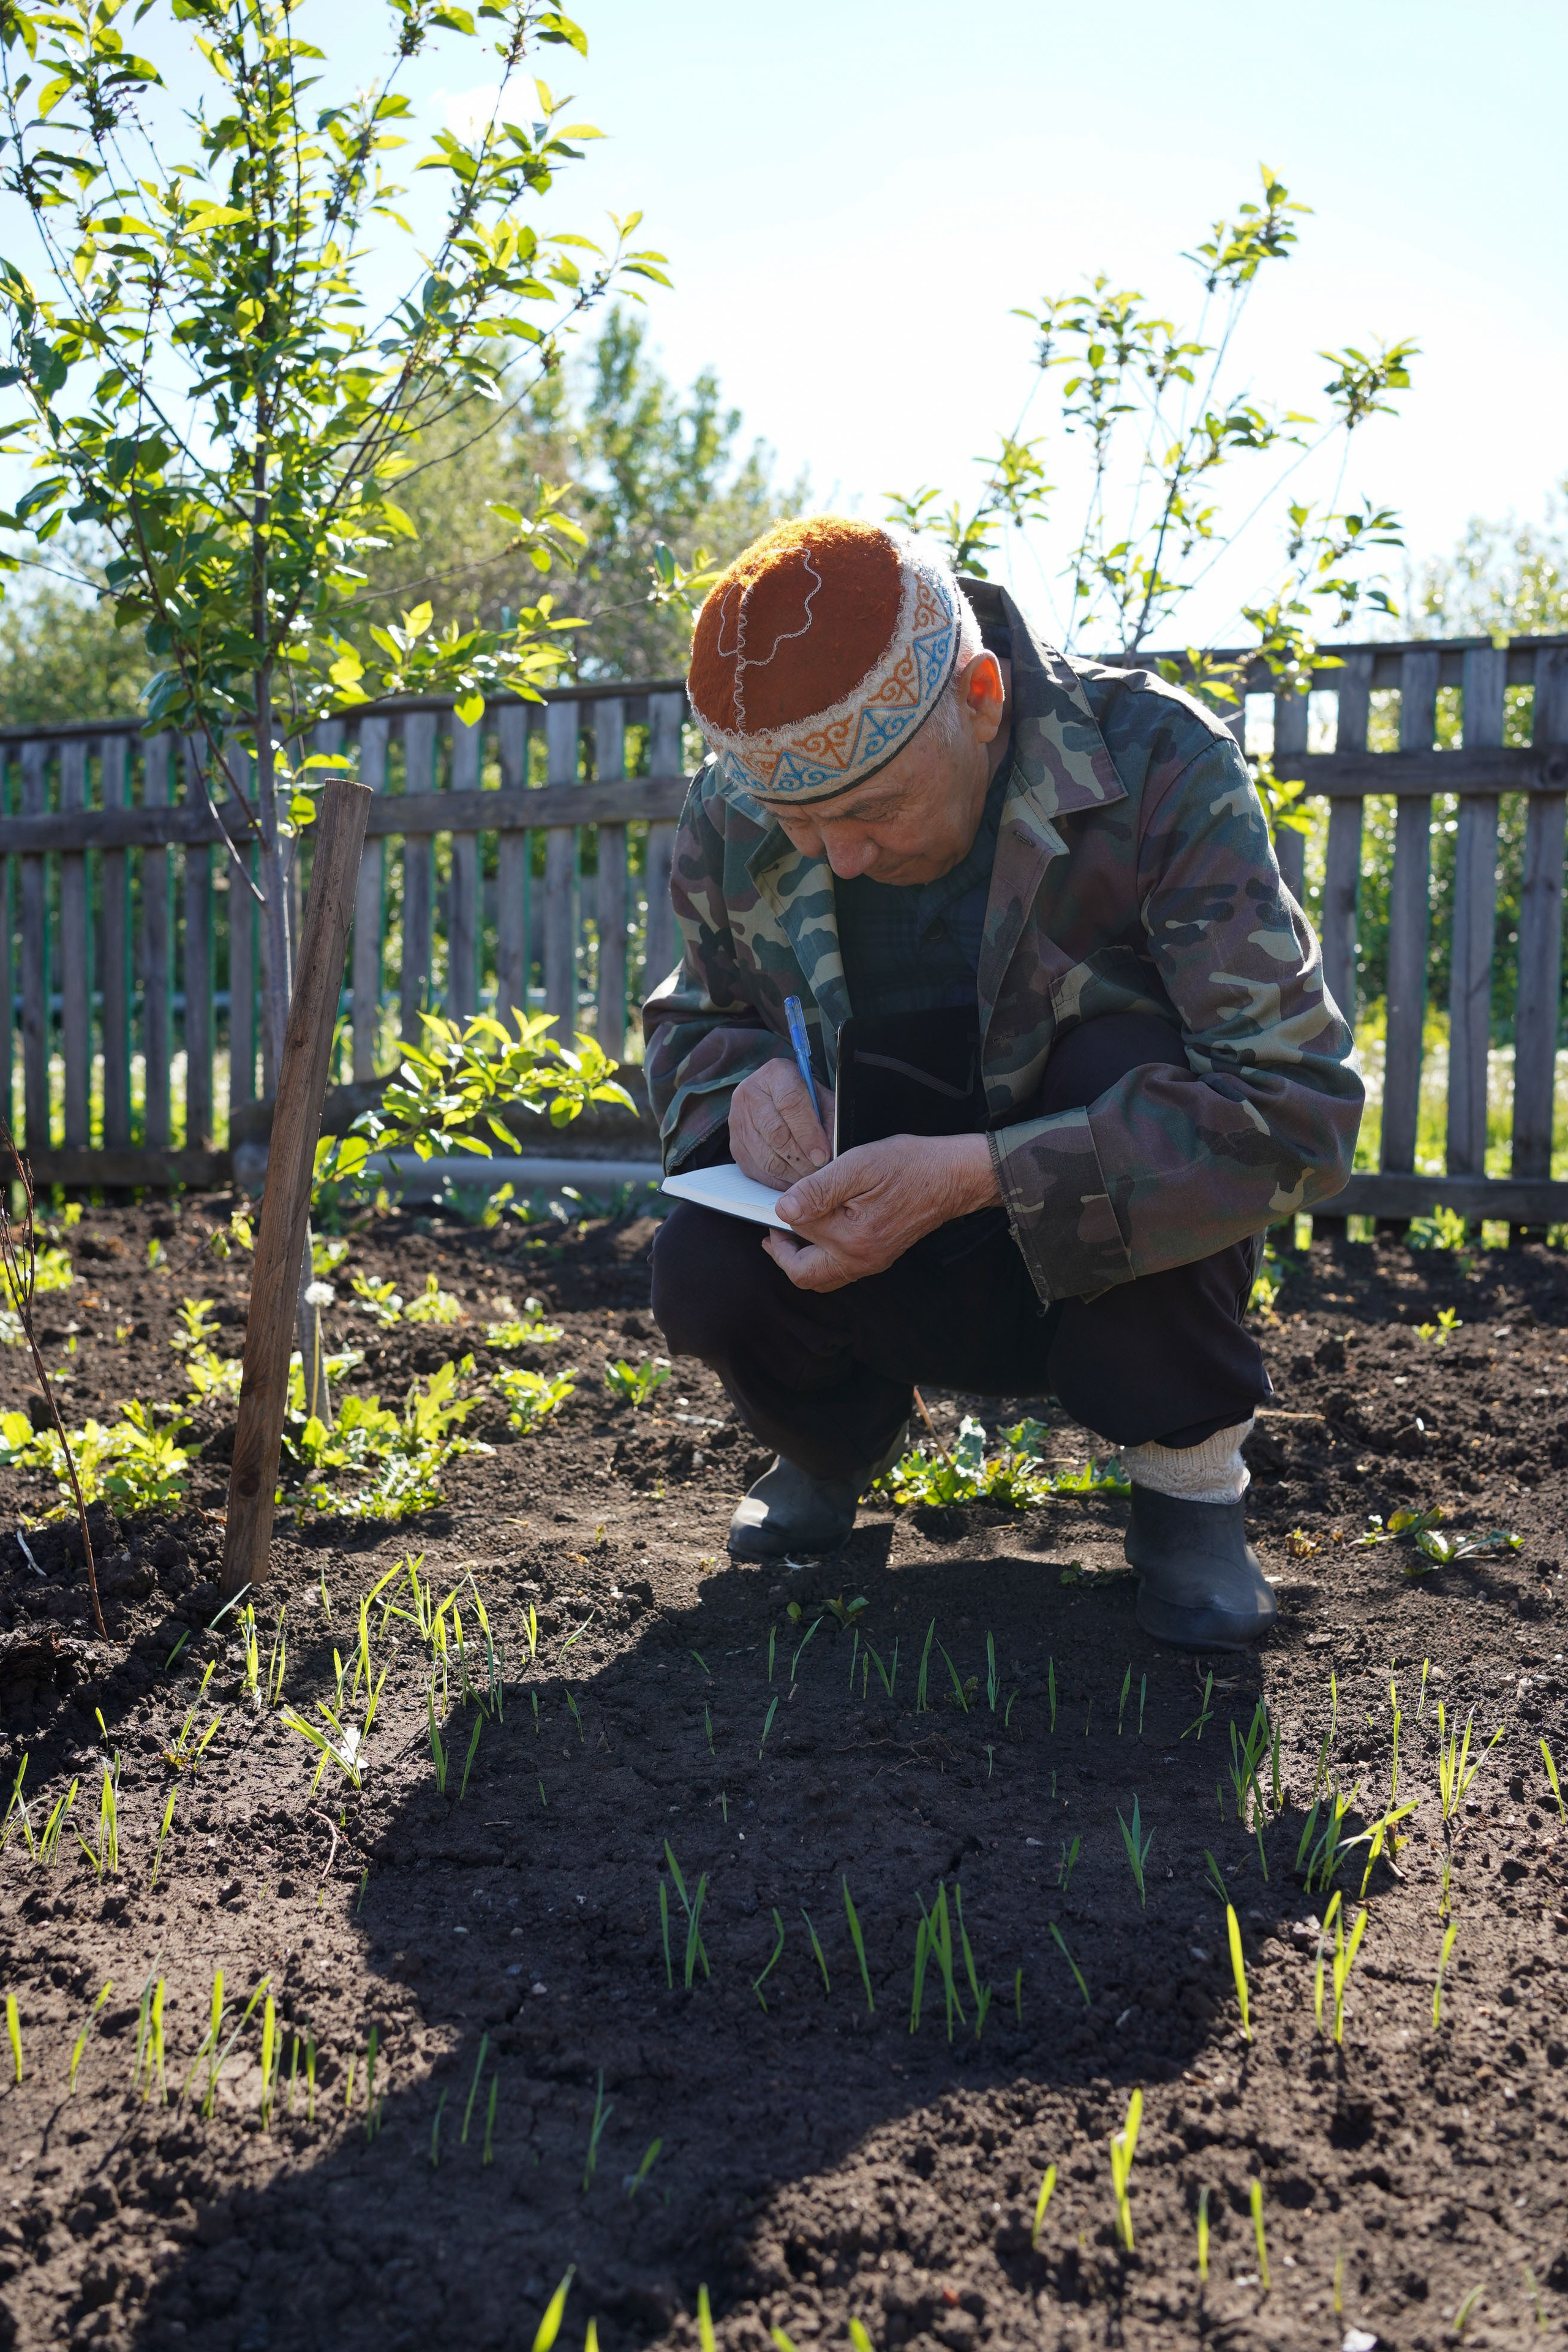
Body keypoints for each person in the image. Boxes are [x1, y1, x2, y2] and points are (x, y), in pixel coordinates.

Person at [643, 517, 1362, 1649]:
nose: (839, 855)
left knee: (1118, 1063)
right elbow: (694, 1021)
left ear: (980, 696)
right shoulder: (730, 812)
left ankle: (1187, 1487)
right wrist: (741, 1086)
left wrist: (981, 1176)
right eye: (799, 821)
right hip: (866, 1238)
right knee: (699, 1263)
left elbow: (1296, 1110)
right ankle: (833, 1446)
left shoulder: (1156, 762)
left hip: (1101, 1269)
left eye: (872, 809)